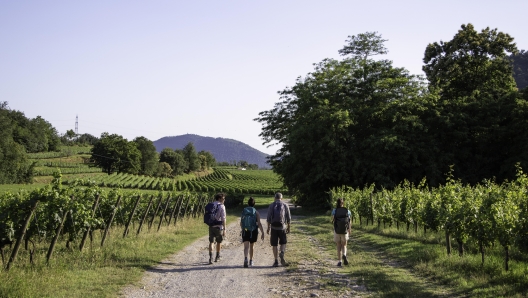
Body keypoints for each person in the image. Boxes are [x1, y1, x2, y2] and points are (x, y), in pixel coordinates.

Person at [266, 192, 291, 267]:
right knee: (283, 242)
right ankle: (282, 252)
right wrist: (289, 227)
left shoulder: (271, 205)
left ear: (275, 198)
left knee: (274, 244)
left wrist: (268, 228)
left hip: (273, 227)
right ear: (281, 198)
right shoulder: (285, 205)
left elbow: (268, 218)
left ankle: (276, 261)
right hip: (282, 227)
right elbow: (288, 218)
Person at [240, 197, 265, 267]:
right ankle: (251, 261)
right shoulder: (256, 212)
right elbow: (259, 223)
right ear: (254, 204)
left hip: (245, 230)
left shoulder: (244, 211)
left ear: (248, 203)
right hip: (253, 231)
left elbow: (241, 223)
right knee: (252, 246)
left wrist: (243, 229)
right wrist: (262, 232)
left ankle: (245, 259)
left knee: (246, 247)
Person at [331, 198, 351, 267]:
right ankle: (344, 255)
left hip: (337, 230)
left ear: (337, 203)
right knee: (344, 245)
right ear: (343, 203)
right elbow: (349, 221)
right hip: (345, 230)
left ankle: (339, 261)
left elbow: (333, 220)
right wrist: (349, 229)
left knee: (338, 245)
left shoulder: (334, 211)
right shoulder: (347, 211)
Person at [208, 193, 226, 264]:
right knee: (219, 241)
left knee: (211, 242)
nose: (224, 200)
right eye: (223, 198)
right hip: (218, 227)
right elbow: (223, 218)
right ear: (219, 199)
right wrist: (224, 229)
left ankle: (210, 258)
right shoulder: (222, 206)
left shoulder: (211, 204)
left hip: (211, 226)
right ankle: (217, 256)